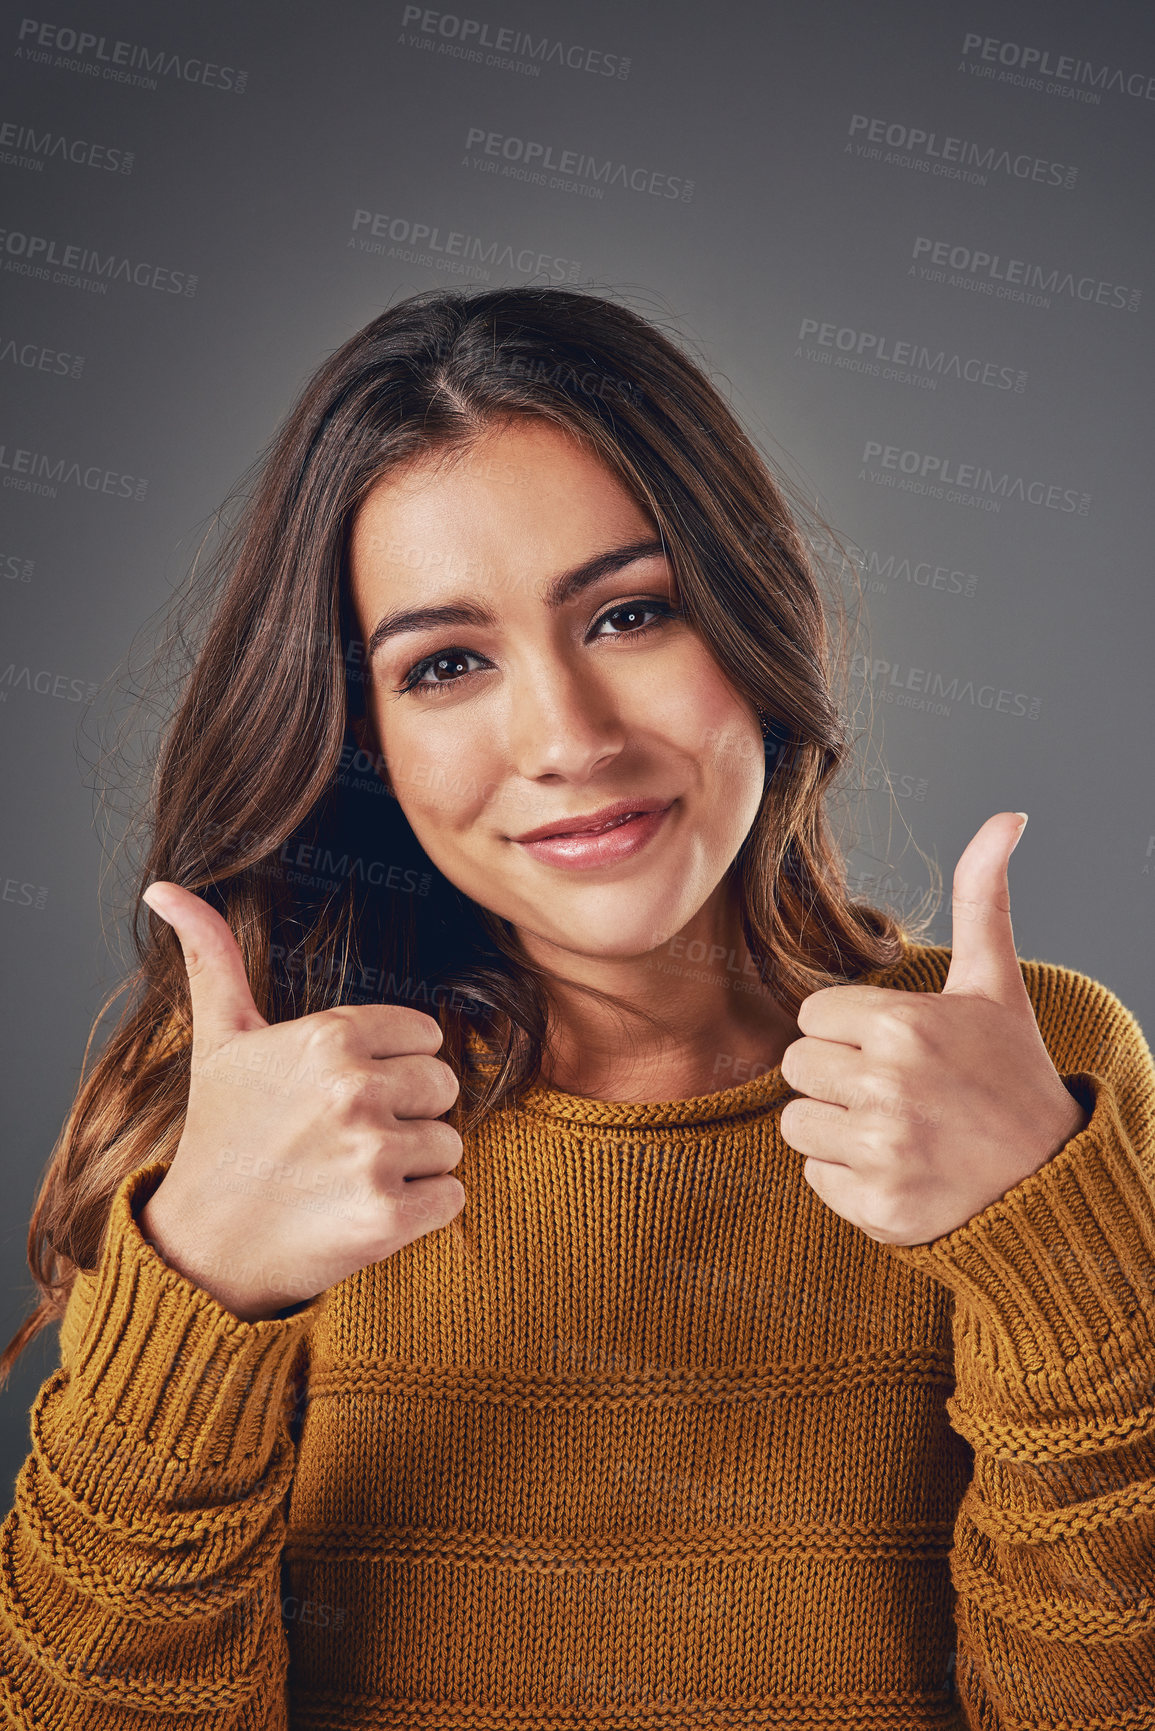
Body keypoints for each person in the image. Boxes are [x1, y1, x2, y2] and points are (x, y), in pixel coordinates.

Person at [1, 285, 1152, 1730]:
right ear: (367, 738)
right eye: (448, 664)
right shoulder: (268, 1112)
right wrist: (202, 1292)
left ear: (751, 618)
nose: (568, 739)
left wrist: (1049, 1251)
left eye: (631, 612)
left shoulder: (1038, 1071)